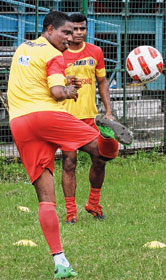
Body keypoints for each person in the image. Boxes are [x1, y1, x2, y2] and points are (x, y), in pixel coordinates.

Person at [7, 10, 132, 279]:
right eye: (65, 32)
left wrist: (64, 82)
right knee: (102, 153)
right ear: (49, 29)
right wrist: (69, 90)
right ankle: (108, 132)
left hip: (19, 123)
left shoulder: (23, 47)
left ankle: (60, 262)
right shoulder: (54, 55)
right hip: (45, 116)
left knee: (45, 197)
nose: (69, 37)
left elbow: (36, 83)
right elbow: (55, 93)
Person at [62, 13, 117, 224]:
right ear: (67, 30)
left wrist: (108, 110)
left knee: (101, 158)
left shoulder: (95, 51)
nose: (78, 33)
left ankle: (93, 204)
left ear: (86, 29)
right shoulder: (58, 53)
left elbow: (102, 81)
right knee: (69, 162)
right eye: (74, 29)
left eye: (82, 29)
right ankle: (70, 213)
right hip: (66, 119)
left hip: (90, 119)